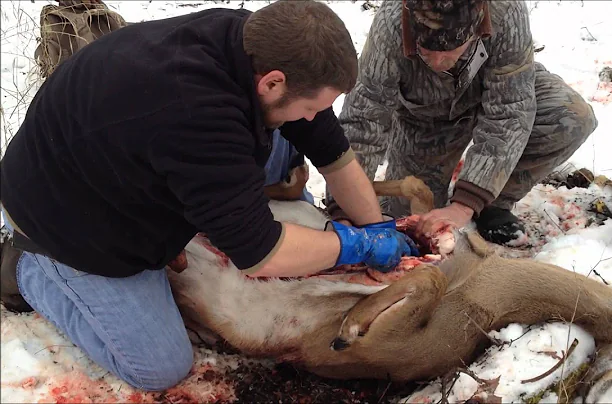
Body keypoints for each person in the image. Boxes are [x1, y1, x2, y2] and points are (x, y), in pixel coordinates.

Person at [0, 1, 418, 391]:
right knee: (159, 366)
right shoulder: (198, 117)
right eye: (312, 107)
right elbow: (260, 254)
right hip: (64, 217)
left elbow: (333, 153)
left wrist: (376, 224)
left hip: (122, 153)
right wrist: (353, 244)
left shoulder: (259, 46)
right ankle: (26, 268)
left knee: (286, 146)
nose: (314, 118)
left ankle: (215, 207)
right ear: (273, 82)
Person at [324, 0, 598, 245]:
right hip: (426, 118)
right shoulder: (391, 22)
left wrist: (466, 203)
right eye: (426, 50)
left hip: (500, 86)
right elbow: (363, 118)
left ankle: (492, 201)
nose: (438, 62)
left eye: (451, 50)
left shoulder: (505, 9)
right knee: (409, 223)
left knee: (570, 118)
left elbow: (509, 110)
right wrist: (345, 208)